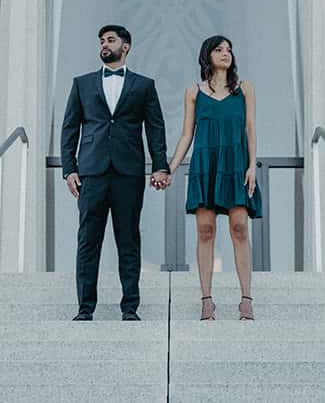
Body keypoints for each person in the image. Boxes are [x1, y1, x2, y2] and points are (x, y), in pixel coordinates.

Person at [59, 24, 170, 321]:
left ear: (126, 46)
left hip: (128, 172)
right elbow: (70, 127)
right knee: (88, 240)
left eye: (110, 40)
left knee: (128, 239)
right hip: (91, 172)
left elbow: (155, 128)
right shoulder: (81, 83)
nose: (104, 45)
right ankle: (85, 308)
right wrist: (68, 168)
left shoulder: (144, 85)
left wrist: (160, 165)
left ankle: (130, 306)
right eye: (101, 41)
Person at [166, 34, 262, 322]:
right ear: (207, 55)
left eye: (229, 49)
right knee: (205, 230)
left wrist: (252, 166)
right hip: (205, 164)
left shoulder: (244, 89)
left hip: (236, 164)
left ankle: (246, 299)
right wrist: (169, 168)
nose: (225, 53)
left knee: (239, 227)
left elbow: (250, 128)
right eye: (219, 49)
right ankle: (207, 300)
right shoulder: (193, 92)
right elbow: (187, 135)